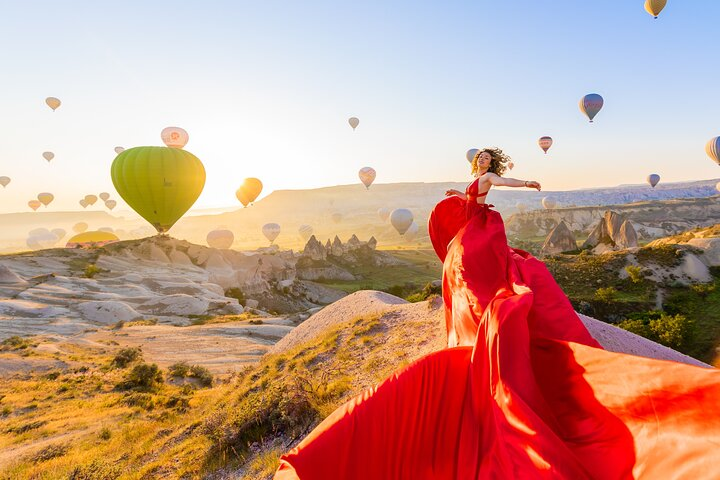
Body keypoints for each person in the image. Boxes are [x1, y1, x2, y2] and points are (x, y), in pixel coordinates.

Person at [275, 148, 720, 480]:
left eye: (488, 158)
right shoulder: (473, 181)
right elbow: (469, 193)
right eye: (480, 158)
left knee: (487, 268)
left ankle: (493, 306)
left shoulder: (491, 181)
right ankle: (482, 306)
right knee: (468, 269)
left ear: (493, 163)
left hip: (482, 229)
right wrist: (456, 193)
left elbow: (500, 187)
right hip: (472, 227)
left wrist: (526, 186)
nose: (483, 162)